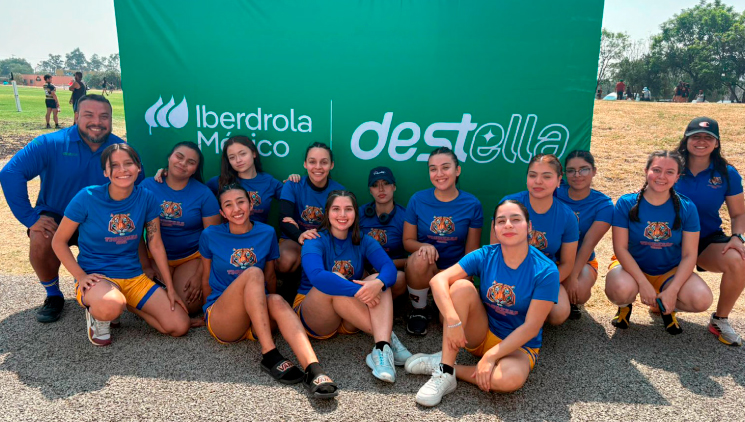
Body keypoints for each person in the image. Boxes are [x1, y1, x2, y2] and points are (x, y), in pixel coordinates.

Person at [0, 94, 140, 323]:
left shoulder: (121, 150)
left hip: (102, 219)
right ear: (76, 116)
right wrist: (29, 218)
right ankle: (53, 295)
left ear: (111, 119)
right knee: (40, 237)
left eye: (104, 116)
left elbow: (140, 187)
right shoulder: (50, 143)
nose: (97, 122)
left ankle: (108, 293)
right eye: (89, 115)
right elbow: (10, 173)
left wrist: (162, 176)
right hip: (57, 215)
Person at [404, 200, 558, 407]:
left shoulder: (546, 270)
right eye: (501, 221)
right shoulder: (486, 255)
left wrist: (492, 356)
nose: (508, 225)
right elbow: (438, 280)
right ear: (494, 228)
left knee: (509, 380)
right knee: (461, 287)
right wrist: (453, 320)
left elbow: (531, 327)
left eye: (515, 219)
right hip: (481, 333)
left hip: (519, 346)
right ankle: (444, 372)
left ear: (529, 227)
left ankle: (449, 368)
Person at [200, 183, 338, 398]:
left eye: (241, 202)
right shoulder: (211, 234)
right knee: (254, 272)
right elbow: (205, 276)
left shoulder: (266, 232)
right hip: (225, 319)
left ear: (251, 204)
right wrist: (205, 312)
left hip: (257, 316)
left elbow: (271, 276)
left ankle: (314, 369)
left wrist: (275, 309)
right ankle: (269, 353)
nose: (236, 209)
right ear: (222, 213)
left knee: (277, 299)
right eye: (228, 205)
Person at [51, 144, 190, 346]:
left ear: (138, 167)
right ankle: (100, 315)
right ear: (105, 172)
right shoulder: (87, 197)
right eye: (114, 165)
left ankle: (126, 304)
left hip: (133, 276)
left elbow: (155, 244)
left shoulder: (147, 198)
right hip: (97, 277)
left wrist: (170, 288)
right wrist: (80, 276)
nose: (122, 170)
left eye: (128, 163)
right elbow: (58, 241)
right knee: (111, 305)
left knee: (179, 326)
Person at [294, 190, 412, 383]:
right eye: (336, 209)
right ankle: (387, 338)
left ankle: (381, 349)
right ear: (327, 212)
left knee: (377, 280)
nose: (342, 214)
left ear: (355, 213)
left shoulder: (363, 240)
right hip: (316, 314)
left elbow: (389, 268)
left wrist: (378, 283)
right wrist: (358, 290)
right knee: (335, 279)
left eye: (348, 209)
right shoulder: (314, 240)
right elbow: (317, 277)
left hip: (349, 314)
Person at [605, 150, 713, 335]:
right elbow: (620, 248)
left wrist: (674, 290)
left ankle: (666, 306)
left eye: (670, 172)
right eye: (656, 170)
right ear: (646, 170)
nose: (662, 176)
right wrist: (642, 283)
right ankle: (625, 306)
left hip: (669, 271)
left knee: (701, 299)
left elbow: (689, 255)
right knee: (619, 289)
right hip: (632, 269)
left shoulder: (687, 208)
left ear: (677, 176)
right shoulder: (626, 203)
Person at [674, 117, 745, 346]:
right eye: (696, 136)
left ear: (717, 143)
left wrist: (738, 237)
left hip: (705, 240)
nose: (701, 141)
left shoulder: (727, 173)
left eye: (708, 137)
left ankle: (720, 319)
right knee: (659, 305)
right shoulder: (671, 165)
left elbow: (738, 214)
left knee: (739, 258)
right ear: (686, 140)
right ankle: (664, 299)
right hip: (670, 241)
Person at [403, 147, 483, 336]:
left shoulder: (472, 204)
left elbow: (471, 253)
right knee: (420, 257)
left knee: (446, 322)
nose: (439, 174)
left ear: (457, 170)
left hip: (455, 271)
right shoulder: (417, 200)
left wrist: (463, 278)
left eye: (445, 167)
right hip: (426, 268)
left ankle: (442, 303)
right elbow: (407, 241)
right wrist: (424, 246)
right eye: (433, 169)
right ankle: (419, 310)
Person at [140, 142, 222, 315]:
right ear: (169, 157)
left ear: (195, 169)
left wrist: (200, 275)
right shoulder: (147, 186)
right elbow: (135, 232)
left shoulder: (203, 194)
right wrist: (145, 265)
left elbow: (213, 238)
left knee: (186, 305)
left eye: (191, 162)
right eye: (179, 156)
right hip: (155, 256)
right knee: (149, 300)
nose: (183, 163)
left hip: (191, 258)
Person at [496, 154, 578, 325]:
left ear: (559, 180)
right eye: (533, 175)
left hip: (544, 275)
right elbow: (494, 251)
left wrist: (542, 284)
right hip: (508, 274)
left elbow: (567, 264)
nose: (538, 181)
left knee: (559, 313)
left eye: (546, 176)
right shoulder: (508, 205)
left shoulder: (567, 216)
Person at [555, 150, 613, 319]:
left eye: (584, 169)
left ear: (594, 171)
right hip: (551, 257)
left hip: (581, 260)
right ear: (564, 174)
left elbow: (588, 243)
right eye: (571, 170)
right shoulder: (554, 193)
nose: (577, 175)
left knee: (578, 293)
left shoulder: (603, 204)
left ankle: (567, 300)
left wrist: (572, 276)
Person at [277, 142, 344, 282]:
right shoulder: (293, 184)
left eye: (324, 162)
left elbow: (341, 226)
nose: (318, 167)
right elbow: (284, 220)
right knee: (286, 260)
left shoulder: (339, 192)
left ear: (331, 165)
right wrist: (300, 235)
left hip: (324, 241)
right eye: (312, 162)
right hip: (294, 239)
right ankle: (285, 287)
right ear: (305, 164)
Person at [358, 166, 407, 298]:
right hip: (364, 271)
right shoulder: (360, 213)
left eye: (386, 183)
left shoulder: (404, 217)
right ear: (370, 190)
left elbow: (411, 259)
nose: (381, 189)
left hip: (392, 271)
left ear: (394, 186)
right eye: (375, 185)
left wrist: (385, 265)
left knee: (400, 278)